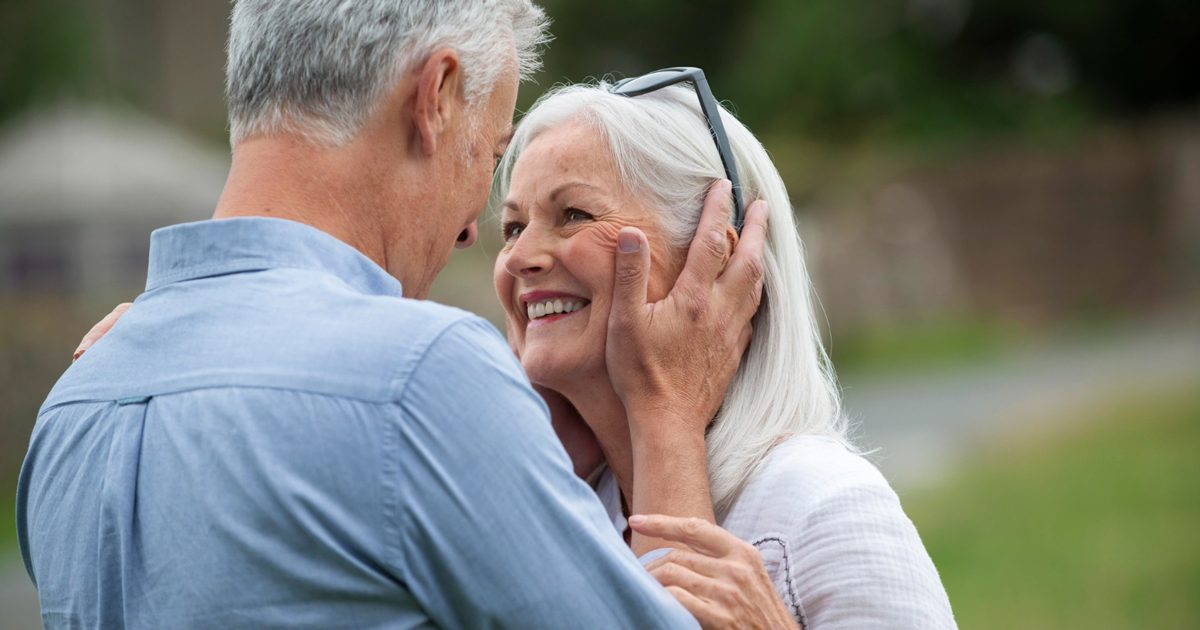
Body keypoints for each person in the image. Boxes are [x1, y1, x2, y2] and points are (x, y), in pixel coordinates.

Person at [17, 2, 781, 629]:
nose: (468, 233)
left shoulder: (72, 404)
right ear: (436, 98)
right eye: (489, 156)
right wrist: (666, 410)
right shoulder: (419, 375)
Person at [487, 81, 958, 628]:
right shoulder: (570, 510)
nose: (520, 256)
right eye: (513, 227)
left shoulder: (822, 506)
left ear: (715, 256)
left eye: (574, 214)